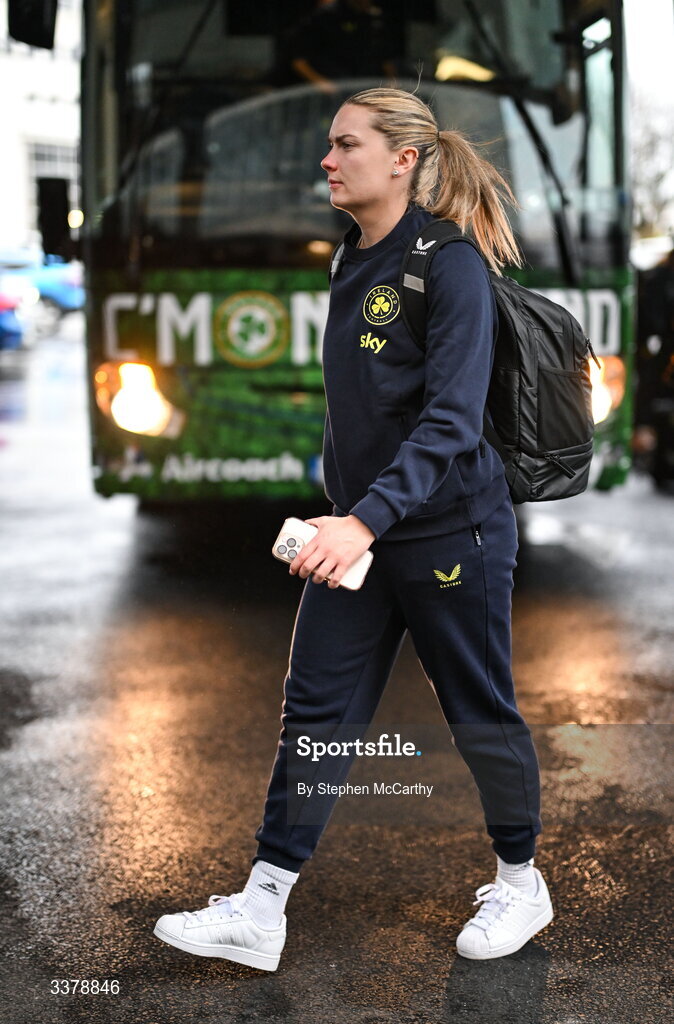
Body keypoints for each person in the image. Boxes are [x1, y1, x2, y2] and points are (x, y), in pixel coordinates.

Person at [154, 87, 554, 970]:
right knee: (318, 713)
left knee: (478, 711)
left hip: (453, 534)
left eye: (344, 145)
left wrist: (362, 521)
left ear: (403, 159)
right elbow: (360, 414)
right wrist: (339, 511)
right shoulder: (350, 257)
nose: (326, 162)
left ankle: (522, 884)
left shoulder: (446, 263)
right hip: (360, 539)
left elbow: (450, 423)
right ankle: (262, 910)